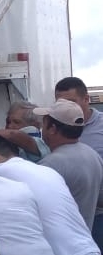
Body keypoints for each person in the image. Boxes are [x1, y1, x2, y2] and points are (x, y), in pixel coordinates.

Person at [35, 99, 103, 231]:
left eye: (44, 124)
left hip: (59, 240)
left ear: (52, 129)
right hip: (86, 235)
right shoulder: (91, 154)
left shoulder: (51, 164)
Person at [54, 77, 103, 251]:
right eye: (60, 103)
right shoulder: (54, 128)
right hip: (69, 215)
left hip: (98, 214)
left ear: (86, 99)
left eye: (72, 102)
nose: (66, 108)